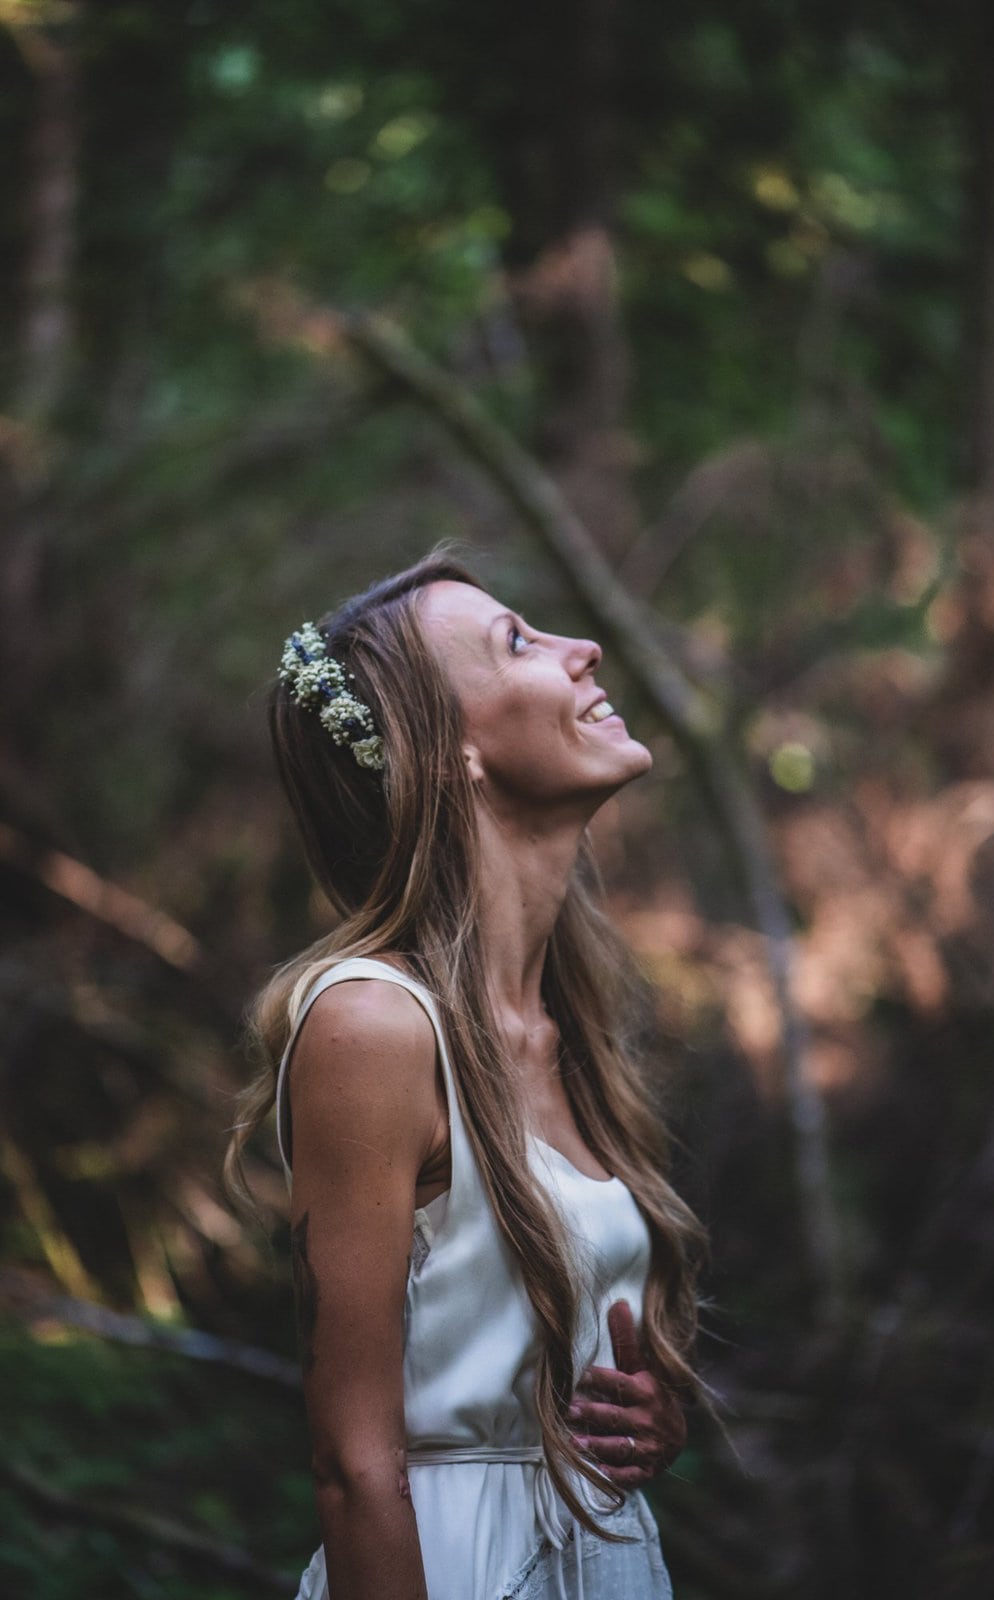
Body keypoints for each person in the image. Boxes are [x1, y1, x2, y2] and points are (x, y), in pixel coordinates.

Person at [226, 552, 707, 1600]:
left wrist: (645, 1421)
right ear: (452, 756)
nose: (584, 650)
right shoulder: (372, 1026)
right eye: (519, 643)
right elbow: (355, 1466)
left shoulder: (569, 1022)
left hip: (612, 1557)